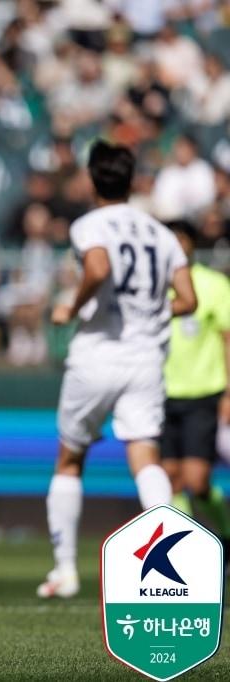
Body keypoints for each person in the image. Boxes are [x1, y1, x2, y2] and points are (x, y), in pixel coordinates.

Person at [38, 141, 197, 599]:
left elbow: (99, 265)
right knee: (145, 457)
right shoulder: (161, 233)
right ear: (133, 181)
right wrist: (151, 310)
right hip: (146, 358)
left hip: (98, 352)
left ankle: (65, 571)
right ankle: (171, 560)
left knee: (70, 457)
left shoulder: (90, 224)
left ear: (92, 180)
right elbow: (188, 300)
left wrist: (72, 304)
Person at [160, 222, 230, 556]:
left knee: (197, 480)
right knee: (169, 479)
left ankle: (227, 534)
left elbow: (228, 339)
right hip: (160, 394)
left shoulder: (214, 286)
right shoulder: (152, 285)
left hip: (202, 394)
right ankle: (186, 550)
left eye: (180, 239)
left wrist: (229, 393)